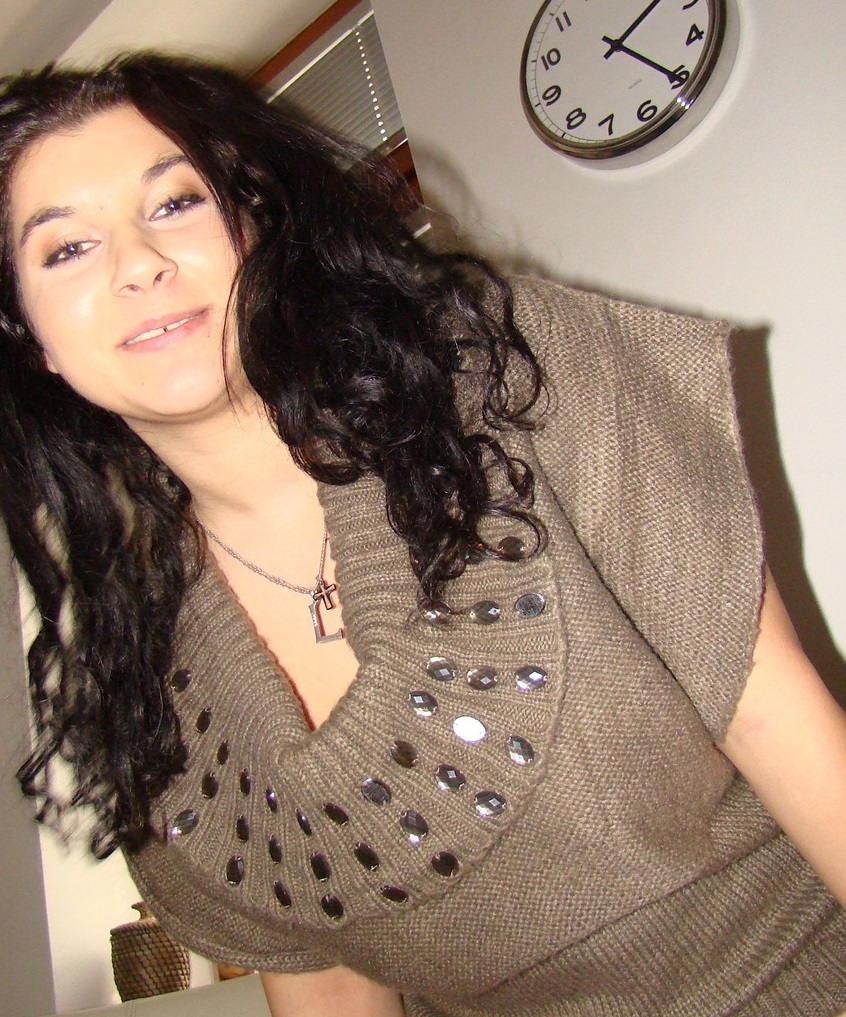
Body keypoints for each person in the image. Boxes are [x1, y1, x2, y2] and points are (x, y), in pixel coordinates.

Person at [0, 52, 844, 1017]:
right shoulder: (138, 668)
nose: (140, 262)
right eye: (65, 248)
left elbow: (777, 717)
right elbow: (325, 975)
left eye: (177, 202)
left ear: (254, 227)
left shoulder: (505, 387)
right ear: (29, 335)